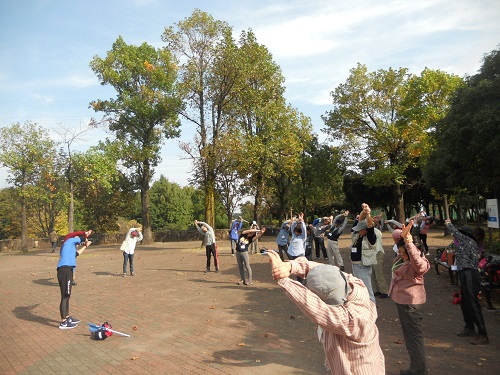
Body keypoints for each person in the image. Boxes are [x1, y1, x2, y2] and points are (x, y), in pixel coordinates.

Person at [266, 251, 385, 375]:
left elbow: (317, 308)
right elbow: (324, 271)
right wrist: (291, 266)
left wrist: (284, 280)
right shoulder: (356, 284)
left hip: (358, 370)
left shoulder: (352, 319)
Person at [389, 220, 430, 375]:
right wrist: (403, 235)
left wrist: (409, 242)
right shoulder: (403, 257)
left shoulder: (418, 263)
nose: (400, 254)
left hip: (411, 305)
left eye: (403, 253)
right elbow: (396, 237)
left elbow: (417, 262)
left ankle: (419, 370)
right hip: (403, 302)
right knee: (410, 338)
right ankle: (416, 367)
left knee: (414, 338)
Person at [445, 219, 489, 345]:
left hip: (470, 273)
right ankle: (469, 327)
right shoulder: (466, 244)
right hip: (464, 273)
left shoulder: (467, 241)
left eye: (460, 233)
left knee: (472, 303)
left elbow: (454, 232)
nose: (457, 235)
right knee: (465, 302)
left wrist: (448, 224)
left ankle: (483, 333)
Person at [57, 235, 92, 329]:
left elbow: (77, 254)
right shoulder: (69, 241)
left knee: (67, 295)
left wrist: (85, 246)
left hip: (67, 271)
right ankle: (63, 322)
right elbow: (83, 238)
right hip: (65, 270)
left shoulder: (69, 250)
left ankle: (67, 317)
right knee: (65, 296)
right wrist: (85, 236)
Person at [350, 203, 377, 303]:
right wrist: (364, 211)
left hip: (363, 266)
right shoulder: (359, 235)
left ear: (366, 230)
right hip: (356, 265)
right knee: (360, 287)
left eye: (360, 230)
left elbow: (369, 225)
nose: (358, 231)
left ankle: (371, 306)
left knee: (367, 288)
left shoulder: (370, 237)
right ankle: (363, 304)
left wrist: (368, 213)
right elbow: (361, 220)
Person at [287, 213, 307, 283]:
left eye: (298, 232)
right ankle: (299, 282)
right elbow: (292, 227)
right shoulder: (294, 235)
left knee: (301, 269)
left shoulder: (302, 237)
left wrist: (302, 222)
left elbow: (304, 230)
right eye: (295, 232)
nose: (296, 233)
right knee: (295, 270)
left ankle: (303, 282)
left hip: (299, 254)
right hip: (291, 254)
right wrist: (296, 221)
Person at [371, 224, 388, 299]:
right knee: (374, 273)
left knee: (379, 274)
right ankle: (377, 290)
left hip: (378, 253)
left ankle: (384, 291)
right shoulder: (372, 232)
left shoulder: (376, 232)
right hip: (373, 254)